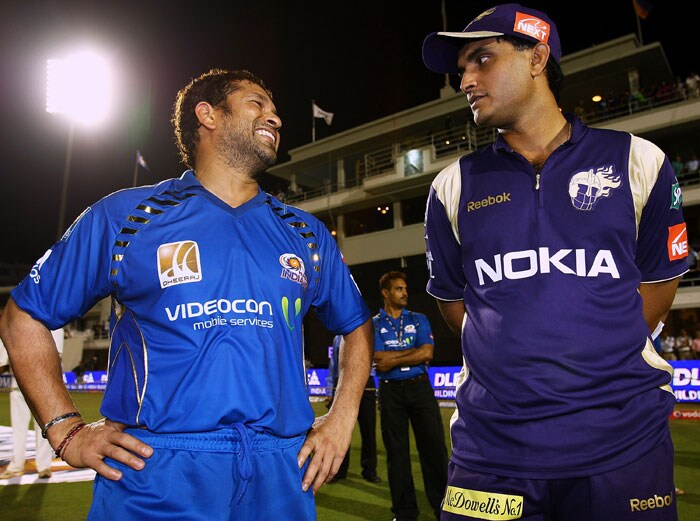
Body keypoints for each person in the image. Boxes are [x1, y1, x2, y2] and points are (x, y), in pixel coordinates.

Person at [0, 68, 373, 520]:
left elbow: (355, 324)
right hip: (157, 470)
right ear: (208, 115)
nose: (275, 117)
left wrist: (341, 416)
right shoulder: (125, 217)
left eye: (275, 110)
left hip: (282, 473)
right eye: (257, 103)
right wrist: (65, 430)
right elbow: (23, 315)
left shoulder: (305, 233)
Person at [422, 4, 688, 520]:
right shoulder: (451, 186)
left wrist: (597, 351)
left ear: (538, 56)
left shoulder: (640, 161)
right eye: (462, 69)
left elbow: (658, 284)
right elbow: (457, 306)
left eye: (482, 59)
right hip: (492, 452)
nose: (466, 81)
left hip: (624, 447)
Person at [373, 270, 448, 521]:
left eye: (405, 288)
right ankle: (405, 513)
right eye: (398, 289)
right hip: (391, 392)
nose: (405, 293)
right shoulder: (373, 324)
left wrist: (395, 358)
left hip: (420, 387)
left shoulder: (419, 319)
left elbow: (427, 353)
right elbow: (378, 360)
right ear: (385, 293)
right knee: (397, 454)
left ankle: (443, 507)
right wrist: (410, 353)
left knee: (434, 450)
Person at [325, 334, 381, 483]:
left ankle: (369, 470)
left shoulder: (368, 335)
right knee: (340, 429)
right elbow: (333, 366)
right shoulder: (337, 337)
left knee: (368, 430)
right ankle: (338, 471)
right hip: (341, 383)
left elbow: (374, 364)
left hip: (365, 383)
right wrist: (329, 391)